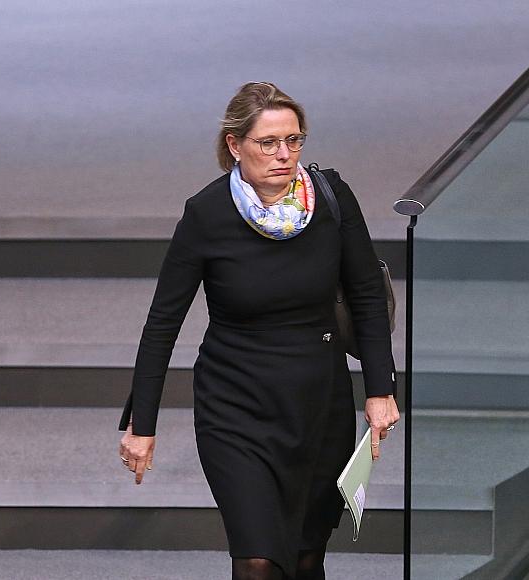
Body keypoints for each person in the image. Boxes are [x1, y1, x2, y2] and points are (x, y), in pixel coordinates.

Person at [117, 81, 399, 580]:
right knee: (257, 560)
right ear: (235, 145)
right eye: (268, 143)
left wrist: (380, 389)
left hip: (318, 402)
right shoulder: (207, 213)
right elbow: (162, 322)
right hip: (236, 407)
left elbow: (367, 296)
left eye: (293, 140)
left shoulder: (332, 199)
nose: (284, 154)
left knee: (307, 557)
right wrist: (142, 424)